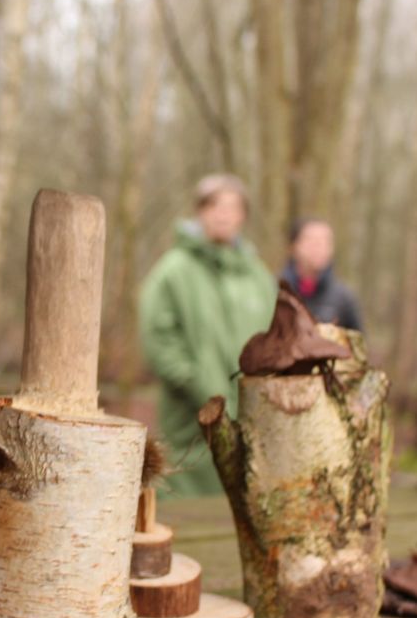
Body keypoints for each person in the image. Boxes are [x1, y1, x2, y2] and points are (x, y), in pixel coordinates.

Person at [139, 175, 276, 498]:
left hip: (250, 420)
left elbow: (274, 340)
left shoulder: (258, 275)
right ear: (199, 212)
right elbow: (159, 340)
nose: (223, 214)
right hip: (190, 422)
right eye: (214, 205)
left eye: (232, 206)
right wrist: (198, 386)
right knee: (188, 518)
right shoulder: (173, 271)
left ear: (243, 215)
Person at [280, 219, 363, 331]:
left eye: (326, 242)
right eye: (312, 242)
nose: (320, 248)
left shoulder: (343, 298)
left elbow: (358, 343)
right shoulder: (274, 291)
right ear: (293, 246)